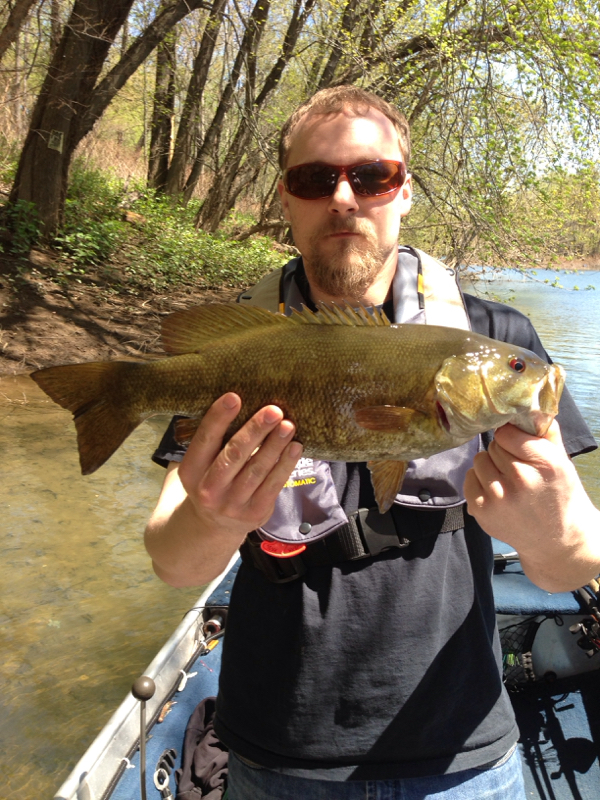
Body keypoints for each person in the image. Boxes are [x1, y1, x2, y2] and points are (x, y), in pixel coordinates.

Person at [145, 86, 600, 799]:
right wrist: (212, 517)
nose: (343, 198)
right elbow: (173, 564)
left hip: (464, 758)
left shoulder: (497, 337)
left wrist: (554, 532)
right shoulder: (242, 347)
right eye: (314, 179)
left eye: (372, 176)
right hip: (275, 753)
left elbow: (572, 565)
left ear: (405, 190)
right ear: (286, 197)